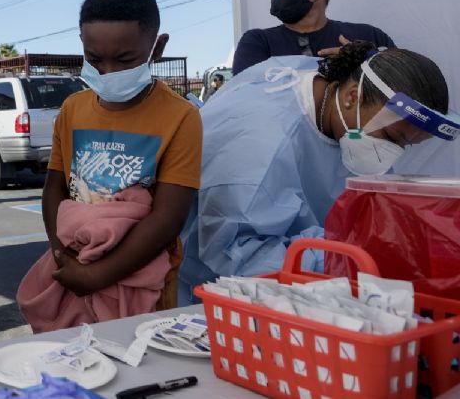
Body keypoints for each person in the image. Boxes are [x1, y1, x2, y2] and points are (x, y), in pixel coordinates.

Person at [180, 41, 457, 305]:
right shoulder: (264, 142)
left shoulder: (332, 87)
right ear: (352, 96)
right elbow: (237, 256)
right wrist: (349, 260)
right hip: (217, 296)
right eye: (391, 137)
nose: (391, 153)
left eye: (405, 145)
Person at [16, 0, 202, 332]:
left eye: (125, 59)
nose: (108, 72)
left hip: (141, 287)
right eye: (95, 59)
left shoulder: (182, 117)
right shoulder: (72, 109)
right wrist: (62, 256)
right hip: (72, 271)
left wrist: (99, 274)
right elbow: (54, 188)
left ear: (156, 47)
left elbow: (167, 218)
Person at [232, 0, 396, 75]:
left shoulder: (368, 35)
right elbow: (247, 100)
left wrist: (367, 61)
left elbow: (407, 88)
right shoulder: (258, 43)